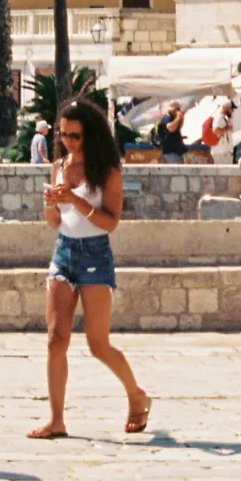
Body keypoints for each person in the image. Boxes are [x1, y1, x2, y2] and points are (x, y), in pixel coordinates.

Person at [31, 97, 152, 440]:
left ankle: (136, 395)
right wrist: (52, 205)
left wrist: (75, 200)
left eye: (75, 135)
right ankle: (56, 420)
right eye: (63, 134)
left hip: (96, 256)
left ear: (91, 134)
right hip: (64, 251)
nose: (68, 141)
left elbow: (111, 222)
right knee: (56, 340)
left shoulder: (107, 169)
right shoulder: (58, 165)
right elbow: (54, 222)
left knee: (98, 344)